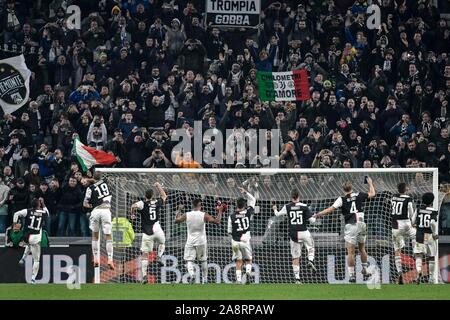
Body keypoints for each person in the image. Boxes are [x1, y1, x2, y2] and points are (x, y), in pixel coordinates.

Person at [314, 177, 376, 283]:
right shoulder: (359, 195)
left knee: (350, 252)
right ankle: (365, 269)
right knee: (362, 249)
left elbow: (330, 209)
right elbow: (373, 194)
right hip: (362, 223)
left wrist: (318, 214)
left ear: (343, 189)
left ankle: (352, 275)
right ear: (352, 187)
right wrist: (370, 183)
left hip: (351, 225)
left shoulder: (341, 199)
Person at [272, 188, 317, 284]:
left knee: (295, 257)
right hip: (303, 231)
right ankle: (311, 260)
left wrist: (275, 208)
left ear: (291, 196)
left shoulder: (287, 206)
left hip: (293, 234)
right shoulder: (304, 206)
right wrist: (314, 216)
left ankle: (297, 279)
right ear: (299, 196)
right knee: (311, 247)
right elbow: (312, 221)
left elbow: (277, 214)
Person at [175, 198, 223, 284]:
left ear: (192, 205)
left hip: (190, 241)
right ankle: (205, 280)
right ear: (200, 205)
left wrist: (179, 210)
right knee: (203, 260)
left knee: (189, 261)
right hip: (201, 241)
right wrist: (220, 211)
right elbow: (217, 221)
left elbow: (176, 220)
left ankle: (192, 275)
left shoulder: (187, 214)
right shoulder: (204, 215)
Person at [131, 182, 167, 284]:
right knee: (162, 243)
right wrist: (159, 186)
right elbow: (164, 196)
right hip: (157, 230)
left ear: (145, 196)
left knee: (145, 255)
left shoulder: (142, 204)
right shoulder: (156, 202)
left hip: (147, 233)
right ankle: (159, 256)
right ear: (152, 196)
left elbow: (133, 206)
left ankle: (144, 276)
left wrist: (133, 214)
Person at [14, 198, 49, 284]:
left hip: (26, 236)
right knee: (36, 260)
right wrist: (43, 204)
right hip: (35, 236)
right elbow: (47, 214)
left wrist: (15, 223)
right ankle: (33, 278)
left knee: (29, 244)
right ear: (39, 204)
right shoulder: (43, 212)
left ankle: (23, 258)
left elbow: (16, 213)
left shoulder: (27, 211)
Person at [83, 171, 114, 269]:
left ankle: (96, 258)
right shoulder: (105, 182)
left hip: (95, 211)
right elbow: (97, 179)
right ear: (101, 177)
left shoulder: (90, 188)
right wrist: (88, 179)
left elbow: (85, 204)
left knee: (95, 236)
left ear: (93, 177)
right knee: (108, 236)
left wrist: (92, 205)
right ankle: (110, 259)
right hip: (106, 210)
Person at [228, 187, 257, 284]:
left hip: (235, 241)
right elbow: (253, 199)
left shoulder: (231, 216)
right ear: (245, 205)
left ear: (236, 205)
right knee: (248, 259)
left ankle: (239, 280)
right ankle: (248, 273)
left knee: (238, 261)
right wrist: (245, 192)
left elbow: (229, 231)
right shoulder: (248, 212)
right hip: (245, 241)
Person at [391, 182, 416, 284]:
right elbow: (411, 213)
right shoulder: (408, 199)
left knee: (397, 250)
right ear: (406, 189)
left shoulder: (393, 197)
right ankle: (416, 251)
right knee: (415, 235)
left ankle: (400, 272)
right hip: (406, 224)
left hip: (396, 225)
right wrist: (413, 223)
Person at [413, 192, 439, 284]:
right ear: (432, 201)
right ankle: (431, 278)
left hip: (420, 235)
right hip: (429, 235)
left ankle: (419, 271)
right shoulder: (434, 210)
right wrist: (435, 233)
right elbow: (432, 223)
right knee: (431, 257)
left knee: (418, 255)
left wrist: (417, 225)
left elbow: (412, 221)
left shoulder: (419, 209)